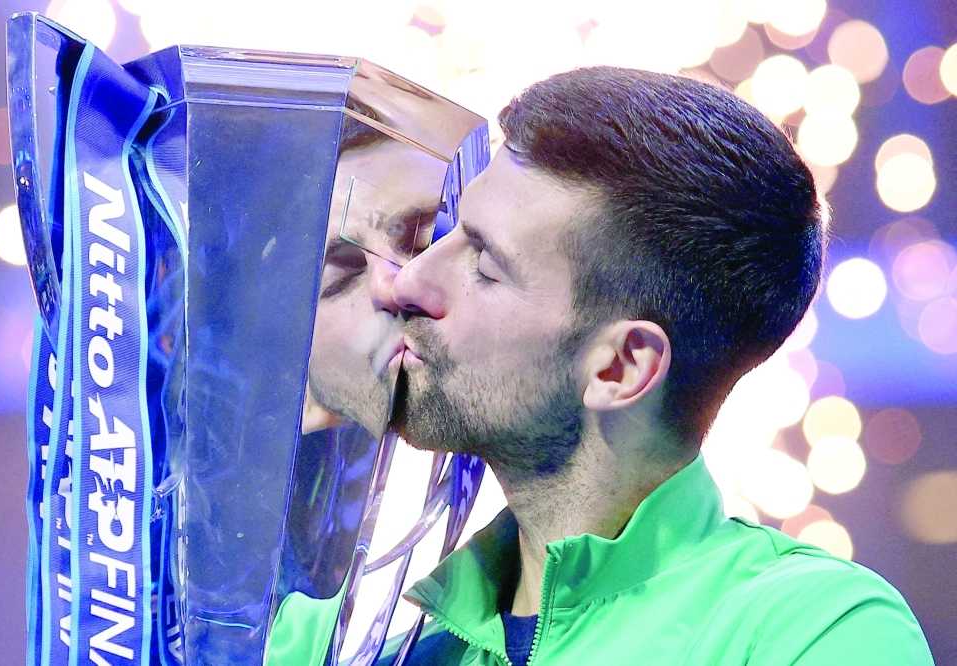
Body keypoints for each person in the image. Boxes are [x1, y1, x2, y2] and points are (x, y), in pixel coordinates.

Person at [376, 67, 935, 665]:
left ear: (621, 367)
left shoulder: (816, 629)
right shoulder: (366, 637)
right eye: (451, 230)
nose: (410, 280)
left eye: (485, 265)